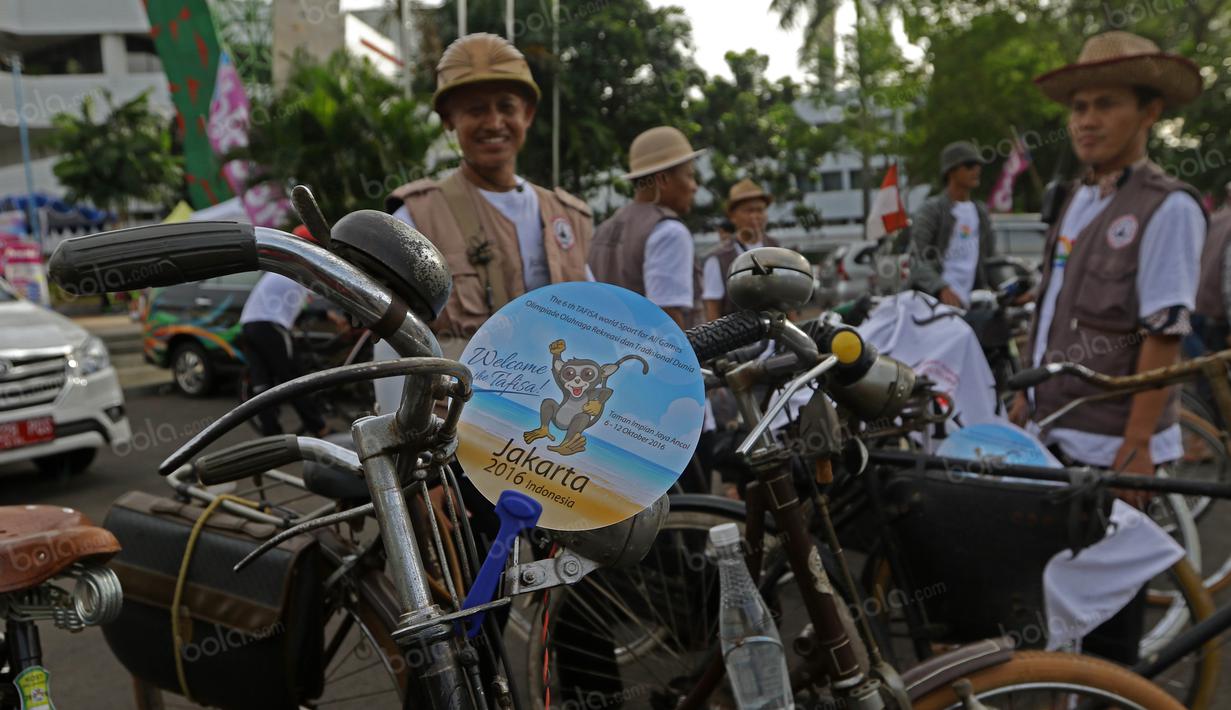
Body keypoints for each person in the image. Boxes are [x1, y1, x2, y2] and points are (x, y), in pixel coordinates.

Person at [1010, 30, 1206, 665]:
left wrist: (1139, 445)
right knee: (1059, 603)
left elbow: (1164, 332)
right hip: (1055, 429)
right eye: (1079, 106)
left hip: (1112, 441)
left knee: (1111, 622)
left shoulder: (1167, 207)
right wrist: (1027, 398)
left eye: (1106, 105)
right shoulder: (1076, 199)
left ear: (1149, 112)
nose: (1087, 121)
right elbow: (1052, 308)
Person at [383, 32, 594, 360]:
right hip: (453, 408)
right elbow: (394, 343)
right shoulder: (416, 217)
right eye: (476, 109)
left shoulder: (567, 216)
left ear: (528, 114)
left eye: (506, 106)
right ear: (449, 120)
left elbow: (597, 322)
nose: (494, 123)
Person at [589, 126, 705, 329]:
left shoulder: (604, 228)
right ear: (662, 179)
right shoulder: (670, 231)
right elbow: (668, 317)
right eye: (689, 175)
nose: (694, 186)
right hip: (656, 359)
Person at [239, 226, 334, 437]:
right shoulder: (302, 267)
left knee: (262, 385)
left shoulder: (281, 267)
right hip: (271, 326)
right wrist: (333, 317)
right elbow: (321, 297)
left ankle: (271, 434)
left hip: (248, 325)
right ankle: (318, 427)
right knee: (293, 380)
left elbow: (293, 301)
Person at [907, 141, 995, 307]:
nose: (976, 170)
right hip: (933, 305)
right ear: (951, 170)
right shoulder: (931, 209)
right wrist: (941, 287)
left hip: (973, 304)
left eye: (978, 165)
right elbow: (916, 259)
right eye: (969, 165)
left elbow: (991, 261)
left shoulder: (981, 212)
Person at [701, 179, 779, 321]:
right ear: (733, 217)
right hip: (737, 339)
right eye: (748, 211)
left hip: (776, 339)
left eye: (760, 210)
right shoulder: (718, 258)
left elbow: (789, 299)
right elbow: (712, 308)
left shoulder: (777, 249)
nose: (755, 216)